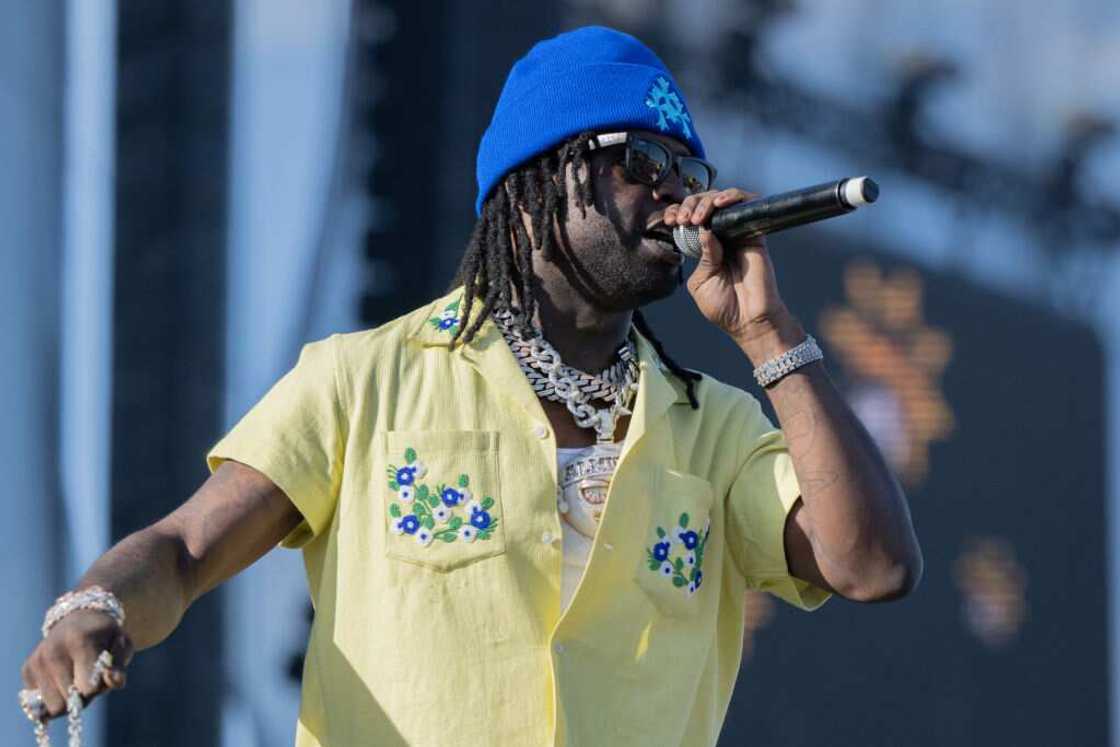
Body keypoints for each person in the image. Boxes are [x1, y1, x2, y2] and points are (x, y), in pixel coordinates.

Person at [20, 25, 922, 747]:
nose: (673, 197)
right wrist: (93, 607)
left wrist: (769, 334)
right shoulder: (364, 380)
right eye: (639, 163)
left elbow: (873, 564)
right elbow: (182, 548)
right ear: (535, 186)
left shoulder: (714, 431)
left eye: (688, 174)